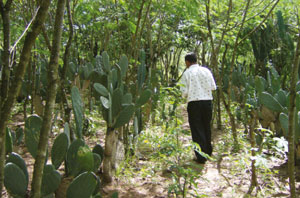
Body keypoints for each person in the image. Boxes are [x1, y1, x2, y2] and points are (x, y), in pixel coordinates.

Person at [180, 52, 217, 164]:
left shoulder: (187, 73)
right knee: (206, 126)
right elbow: (213, 87)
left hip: (194, 103)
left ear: (187, 62)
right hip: (207, 102)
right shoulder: (206, 71)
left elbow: (184, 92)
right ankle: (208, 152)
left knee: (197, 128)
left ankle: (201, 156)